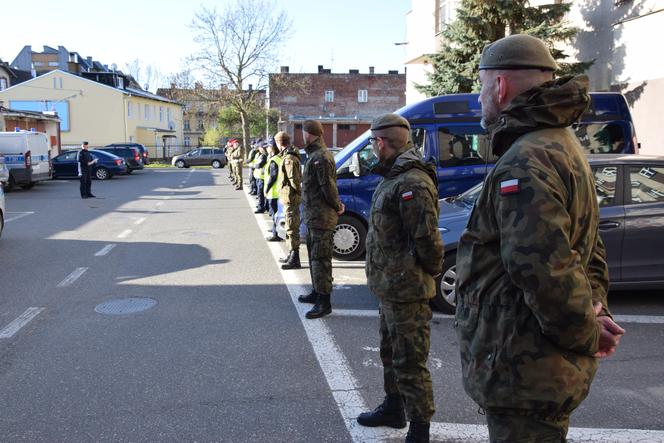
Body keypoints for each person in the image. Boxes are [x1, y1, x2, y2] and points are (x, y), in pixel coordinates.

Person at [455, 34, 626, 443]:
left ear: (499, 86)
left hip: (525, 371)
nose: (479, 99)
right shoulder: (561, 145)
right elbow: (590, 249)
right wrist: (596, 308)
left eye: (481, 88)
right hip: (535, 370)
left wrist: (587, 331)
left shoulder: (528, 158)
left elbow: (545, 270)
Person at [356, 114, 443, 443]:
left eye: (372, 143)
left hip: (407, 290)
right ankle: (394, 409)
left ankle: (420, 430)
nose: (371, 149)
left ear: (381, 142)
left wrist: (425, 275)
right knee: (391, 354)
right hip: (391, 287)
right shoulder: (393, 176)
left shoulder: (411, 182)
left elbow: (428, 241)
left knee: (410, 362)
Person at [297, 120, 344, 319]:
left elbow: (328, 188)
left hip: (322, 218)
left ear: (309, 133)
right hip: (314, 217)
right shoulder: (314, 155)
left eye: (304, 132)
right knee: (315, 258)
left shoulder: (321, 157)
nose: (302, 135)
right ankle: (317, 291)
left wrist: (337, 205)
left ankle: (324, 302)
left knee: (321, 260)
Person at [275, 131, 303, 270]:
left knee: (292, 227)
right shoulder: (288, 156)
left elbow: (294, 180)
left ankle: (295, 258)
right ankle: (291, 254)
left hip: (291, 198)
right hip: (289, 198)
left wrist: (297, 193)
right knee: (289, 226)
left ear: (279, 143)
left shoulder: (289, 159)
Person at [264, 139, 284, 242]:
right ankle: (274, 230)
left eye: (268, 146)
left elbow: (273, 176)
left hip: (274, 192)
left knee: (274, 214)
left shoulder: (274, 160)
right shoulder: (279, 158)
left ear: (272, 147)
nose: (266, 148)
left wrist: (266, 189)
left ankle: (275, 234)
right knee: (276, 214)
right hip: (278, 191)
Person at [253, 143, 269, 213]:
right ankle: (262, 205)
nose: (259, 148)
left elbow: (259, 165)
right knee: (260, 193)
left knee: (261, 193)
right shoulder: (261, 155)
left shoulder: (264, 156)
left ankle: (261, 207)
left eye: (260, 147)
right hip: (259, 177)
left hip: (262, 177)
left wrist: (255, 165)